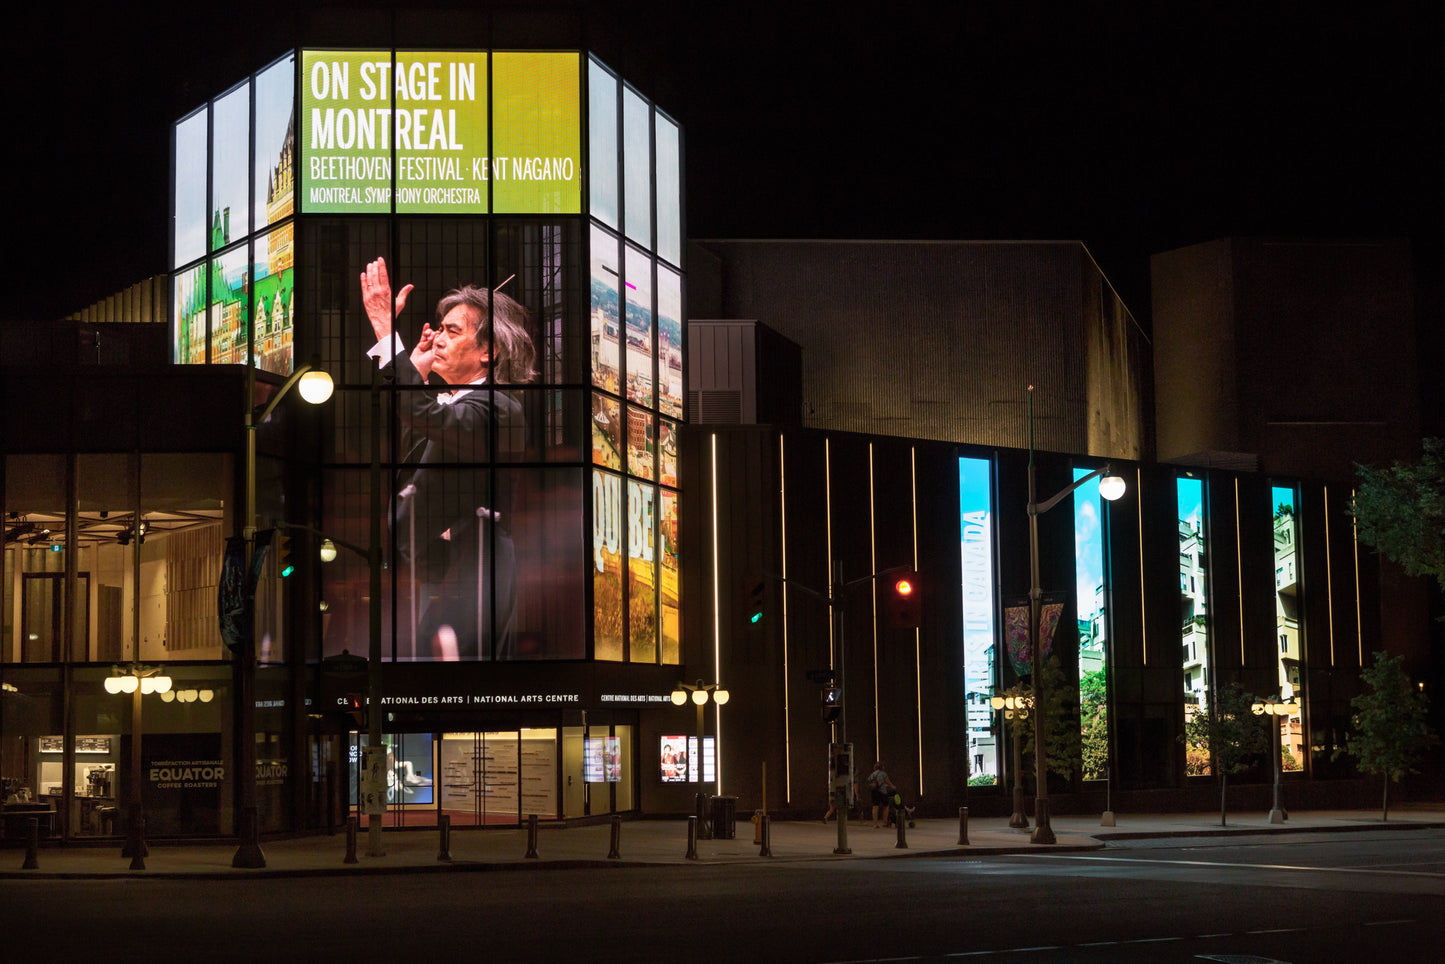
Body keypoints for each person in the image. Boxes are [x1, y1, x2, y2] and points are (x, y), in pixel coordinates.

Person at [360, 256, 536, 660]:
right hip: (439, 573)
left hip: (474, 574)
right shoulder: (452, 405)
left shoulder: (499, 407)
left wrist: (388, 334)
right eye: (438, 329)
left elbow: (427, 418)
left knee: (459, 684)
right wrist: (416, 378)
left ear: (488, 353)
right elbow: (413, 451)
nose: (437, 338)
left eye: (452, 331)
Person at [867, 761, 895, 828]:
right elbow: (887, 781)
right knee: (886, 806)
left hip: (874, 792)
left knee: (875, 806)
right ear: (882, 767)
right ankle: (884, 822)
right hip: (882, 792)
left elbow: (869, 780)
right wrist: (892, 786)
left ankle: (875, 823)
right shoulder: (883, 774)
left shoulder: (872, 774)